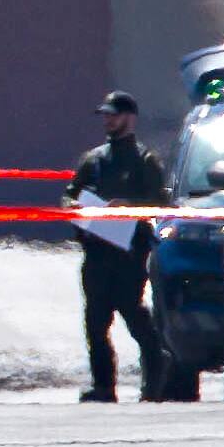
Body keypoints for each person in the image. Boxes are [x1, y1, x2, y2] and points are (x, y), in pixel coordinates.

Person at [71, 90, 168, 402]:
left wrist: (130, 205)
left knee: (133, 313)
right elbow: (70, 194)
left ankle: (155, 375)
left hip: (129, 252)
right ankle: (103, 386)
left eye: (114, 114)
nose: (108, 120)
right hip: (97, 250)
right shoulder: (93, 160)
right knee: (95, 321)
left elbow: (159, 203)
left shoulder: (145, 161)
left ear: (129, 117)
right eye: (106, 115)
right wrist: (80, 209)